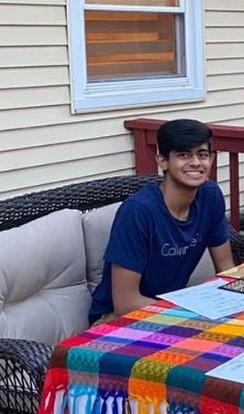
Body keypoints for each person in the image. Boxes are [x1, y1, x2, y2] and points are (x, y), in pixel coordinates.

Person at [88, 119, 234, 323]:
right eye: (183, 155)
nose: (195, 162)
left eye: (202, 154)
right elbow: (125, 303)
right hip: (115, 320)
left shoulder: (210, 196)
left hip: (172, 310)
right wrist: (192, 315)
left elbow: (226, 269)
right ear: (162, 160)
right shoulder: (138, 211)